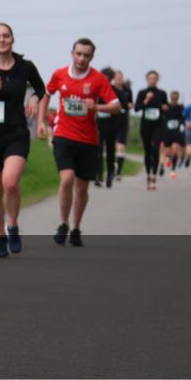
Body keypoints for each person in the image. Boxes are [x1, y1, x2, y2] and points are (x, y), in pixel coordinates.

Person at [0, 23, 45, 258]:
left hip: (16, 134)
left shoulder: (25, 67)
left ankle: (13, 226)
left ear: (12, 39)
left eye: (6, 36)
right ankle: (1, 235)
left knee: (10, 183)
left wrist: (33, 99)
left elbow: (41, 89)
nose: (2, 40)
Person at [38, 38, 120, 247]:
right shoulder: (59, 74)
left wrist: (96, 107)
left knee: (82, 188)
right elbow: (46, 95)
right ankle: (63, 224)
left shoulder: (98, 79)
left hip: (88, 140)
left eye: (86, 55)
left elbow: (116, 106)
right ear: (72, 53)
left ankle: (75, 228)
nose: (82, 58)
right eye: (79, 54)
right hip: (64, 135)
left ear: (92, 57)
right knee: (66, 179)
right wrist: (40, 121)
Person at [134, 70, 168, 191]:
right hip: (146, 125)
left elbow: (166, 108)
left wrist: (165, 108)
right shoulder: (142, 92)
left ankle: (154, 176)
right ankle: (148, 175)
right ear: (147, 80)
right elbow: (137, 108)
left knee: (155, 150)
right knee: (148, 151)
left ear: (157, 80)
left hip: (158, 125)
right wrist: (146, 100)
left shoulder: (162, 93)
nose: (152, 80)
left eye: (154, 78)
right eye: (150, 78)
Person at [94, 67, 120, 188]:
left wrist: (110, 108)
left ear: (111, 79)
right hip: (98, 124)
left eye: (106, 77)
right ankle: (98, 175)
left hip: (112, 125)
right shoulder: (96, 90)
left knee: (110, 151)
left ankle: (110, 173)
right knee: (98, 150)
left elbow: (123, 105)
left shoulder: (115, 90)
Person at [111, 70, 133, 179]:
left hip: (123, 121)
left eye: (121, 77)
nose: (119, 79)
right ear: (114, 79)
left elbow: (131, 103)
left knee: (121, 147)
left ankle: (119, 171)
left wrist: (129, 105)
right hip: (112, 120)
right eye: (117, 77)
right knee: (112, 146)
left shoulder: (127, 90)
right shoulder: (110, 88)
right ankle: (113, 166)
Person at [162, 91, 186, 179]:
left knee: (175, 149)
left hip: (176, 131)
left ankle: (173, 169)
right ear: (170, 97)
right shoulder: (166, 107)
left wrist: (183, 125)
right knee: (168, 152)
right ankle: (168, 159)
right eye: (173, 97)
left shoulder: (181, 107)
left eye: (176, 97)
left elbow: (184, 118)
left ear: (178, 98)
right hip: (167, 131)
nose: (174, 99)